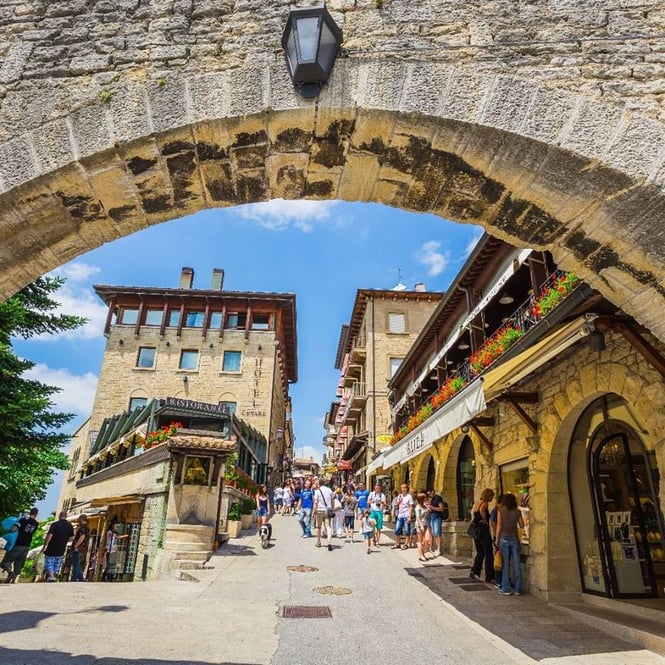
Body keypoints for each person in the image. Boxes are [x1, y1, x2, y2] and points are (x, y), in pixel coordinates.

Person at [496, 492, 525, 596]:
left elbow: (499, 526)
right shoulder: (517, 511)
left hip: (504, 538)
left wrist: (496, 540)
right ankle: (518, 588)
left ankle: (506, 588)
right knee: (517, 564)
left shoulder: (501, 511)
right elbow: (522, 525)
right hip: (514, 538)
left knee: (505, 565)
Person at [1, 507, 39, 584]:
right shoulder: (36, 524)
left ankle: (10, 572)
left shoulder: (23, 520)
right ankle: (13, 580)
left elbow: (14, 529)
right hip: (26, 546)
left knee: (6, 562)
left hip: (18, 544)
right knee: (19, 564)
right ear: (36, 514)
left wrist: (9, 530)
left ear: (30, 513)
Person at [470, 488, 495, 584]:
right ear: (488, 496)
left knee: (480, 552)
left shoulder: (477, 502)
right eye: (492, 496)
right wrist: (484, 519)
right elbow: (482, 511)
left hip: (477, 531)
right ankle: (489, 576)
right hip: (483, 530)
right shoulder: (485, 503)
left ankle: (474, 570)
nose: (492, 498)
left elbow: (475, 513)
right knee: (488, 553)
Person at [42, 511, 74, 582]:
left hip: (52, 546)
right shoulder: (70, 526)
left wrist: (45, 545)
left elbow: (50, 535)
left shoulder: (54, 524)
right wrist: (64, 540)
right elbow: (71, 538)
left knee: (49, 561)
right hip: (62, 547)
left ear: (59, 516)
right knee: (58, 561)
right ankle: (53, 576)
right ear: (66, 516)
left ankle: (51, 576)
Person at [313, 478, 334, 551]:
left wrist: (314, 511)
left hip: (319, 510)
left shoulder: (317, 491)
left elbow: (316, 502)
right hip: (328, 510)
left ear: (319, 484)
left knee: (318, 527)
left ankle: (318, 542)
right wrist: (332, 508)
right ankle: (329, 542)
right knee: (328, 526)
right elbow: (332, 500)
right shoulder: (329, 490)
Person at [489, 494, 505, 589]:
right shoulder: (496, 511)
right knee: (499, 559)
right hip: (498, 537)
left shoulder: (499, 511)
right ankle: (498, 580)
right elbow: (494, 525)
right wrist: (496, 537)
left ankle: (501, 579)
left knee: (501, 559)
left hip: (500, 537)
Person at [391, 483, 413, 550]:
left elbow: (411, 507)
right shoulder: (399, 496)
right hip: (400, 515)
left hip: (406, 515)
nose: (403, 489)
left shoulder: (409, 496)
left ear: (407, 488)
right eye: (402, 488)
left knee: (407, 530)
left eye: (404, 488)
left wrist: (409, 516)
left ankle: (406, 544)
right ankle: (398, 543)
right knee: (397, 530)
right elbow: (396, 505)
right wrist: (399, 501)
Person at [427, 488, 447, 558]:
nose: (429, 495)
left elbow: (441, 508)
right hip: (432, 517)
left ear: (433, 491)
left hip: (437, 517)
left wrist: (432, 508)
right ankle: (437, 548)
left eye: (429, 494)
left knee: (437, 533)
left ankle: (439, 549)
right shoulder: (432, 499)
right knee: (434, 533)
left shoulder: (438, 498)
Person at [70, 513, 89, 582]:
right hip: (82, 548)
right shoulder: (86, 527)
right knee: (77, 562)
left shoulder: (83, 528)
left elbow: (82, 537)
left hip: (78, 548)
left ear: (82, 519)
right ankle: (80, 577)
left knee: (76, 562)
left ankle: (74, 577)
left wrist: (76, 545)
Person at [414, 493, 430, 562]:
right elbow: (418, 517)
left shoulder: (424, 506)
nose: (426, 498)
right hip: (420, 525)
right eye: (425, 497)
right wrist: (421, 525)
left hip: (426, 524)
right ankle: (421, 555)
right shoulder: (418, 507)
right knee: (420, 541)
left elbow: (426, 515)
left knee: (426, 540)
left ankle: (423, 553)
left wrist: (428, 510)